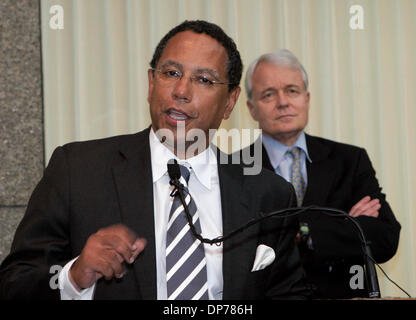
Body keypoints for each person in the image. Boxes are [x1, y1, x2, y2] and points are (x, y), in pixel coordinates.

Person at [0, 21, 309, 300]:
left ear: (229, 102)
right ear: (151, 83)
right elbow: (15, 284)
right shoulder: (77, 170)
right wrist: (72, 277)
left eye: (203, 79)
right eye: (171, 73)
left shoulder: (268, 194)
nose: (181, 91)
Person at [242, 49, 401, 298]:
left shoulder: (350, 160)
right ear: (252, 108)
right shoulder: (234, 169)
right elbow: (239, 251)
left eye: (292, 91)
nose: (283, 102)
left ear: (306, 98)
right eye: (269, 94)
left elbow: (385, 239)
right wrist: (344, 224)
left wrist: (301, 232)